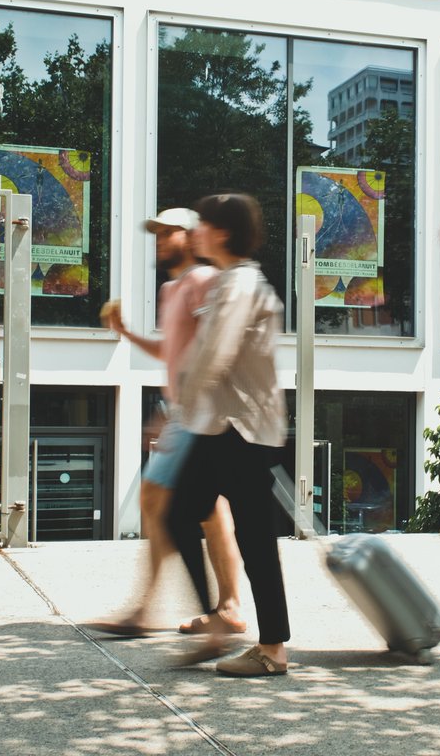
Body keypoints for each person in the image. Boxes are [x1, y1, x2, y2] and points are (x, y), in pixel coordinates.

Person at [88, 207, 247, 638]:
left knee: (161, 500)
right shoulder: (171, 289)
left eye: (168, 232)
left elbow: (212, 347)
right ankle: (225, 609)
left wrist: (168, 414)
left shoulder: (202, 281)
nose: (159, 239)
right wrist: (126, 332)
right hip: (184, 412)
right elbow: (170, 351)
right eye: (155, 232)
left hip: (201, 413)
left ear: (192, 236)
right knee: (203, 511)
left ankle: (148, 611)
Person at [169, 193, 291, 677]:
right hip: (227, 427)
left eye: (201, 225)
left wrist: (179, 407)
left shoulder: (242, 285)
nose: (194, 232)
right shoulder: (231, 282)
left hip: (239, 431)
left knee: (251, 537)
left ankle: (270, 648)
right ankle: (236, 629)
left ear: (220, 232)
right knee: (185, 513)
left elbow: (215, 354)